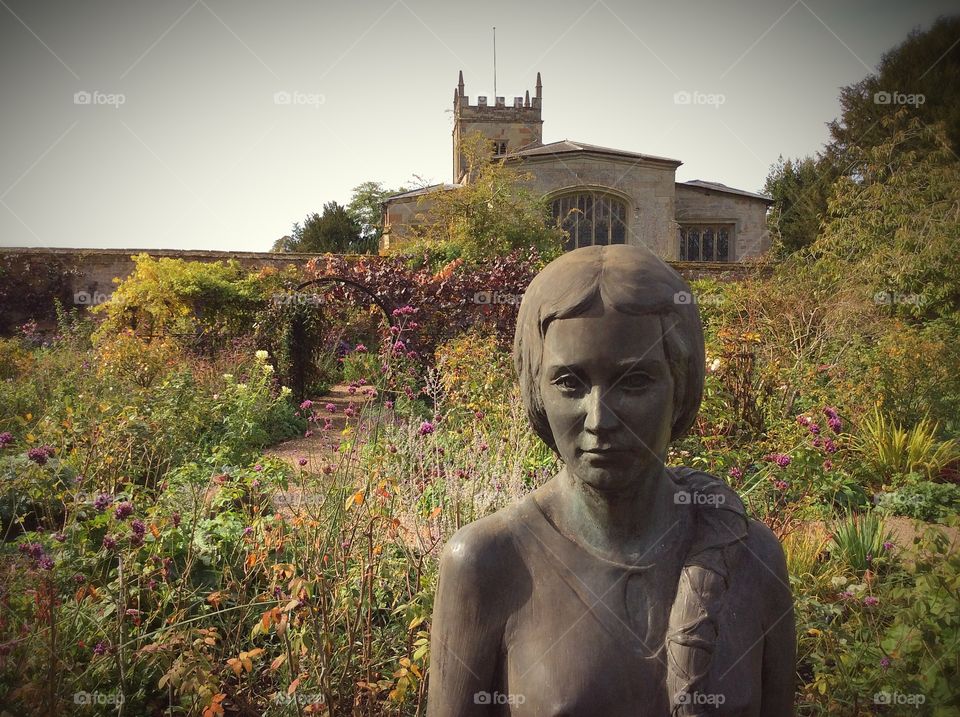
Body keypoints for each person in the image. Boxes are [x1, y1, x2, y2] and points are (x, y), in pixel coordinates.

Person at [427, 245, 795, 716]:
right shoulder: (486, 564)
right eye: (569, 382)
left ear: (679, 386)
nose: (600, 419)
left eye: (636, 381)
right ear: (537, 390)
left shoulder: (754, 558)